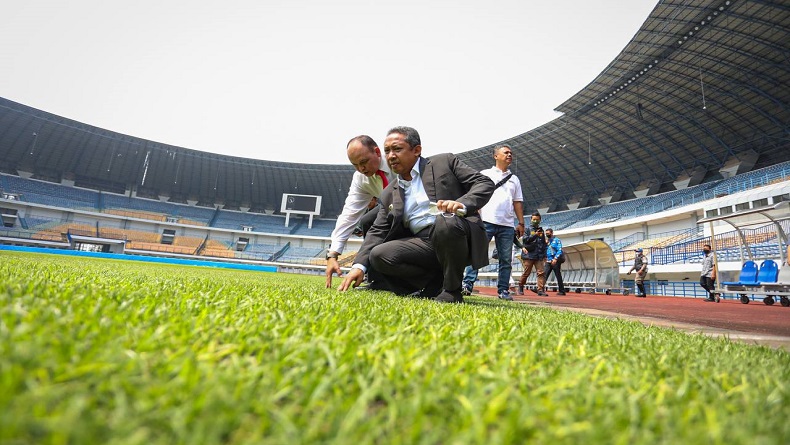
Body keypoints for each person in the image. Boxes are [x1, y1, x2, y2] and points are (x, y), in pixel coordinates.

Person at [338, 126, 495, 303]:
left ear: (417, 150)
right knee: (378, 255)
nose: (391, 156)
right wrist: (359, 266)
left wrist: (462, 204)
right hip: (422, 243)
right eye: (387, 151)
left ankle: (452, 291)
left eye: (397, 149)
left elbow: (484, 183)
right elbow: (377, 230)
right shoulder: (389, 193)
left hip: (456, 232)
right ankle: (432, 284)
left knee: (444, 222)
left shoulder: (444, 162)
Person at [325, 135, 392, 288]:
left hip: (414, 209)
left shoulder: (397, 162)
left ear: (377, 152)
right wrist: (332, 253)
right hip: (390, 208)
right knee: (367, 221)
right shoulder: (360, 178)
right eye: (355, 165)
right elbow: (349, 214)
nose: (361, 169)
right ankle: (376, 280)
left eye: (363, 162)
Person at [460, 145, 525, 301]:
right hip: (486, 221)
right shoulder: (485, 174)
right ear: (496, 156)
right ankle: (467, 284)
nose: (509, 155)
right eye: (506, 152)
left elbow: (517, 202)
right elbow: (475, 195)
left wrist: (521, 222)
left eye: (511, 153)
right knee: (476, 253)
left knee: (506, 260)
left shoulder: (514, 179)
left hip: (507, 225)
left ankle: (503, 290)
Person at [516, 213, 548, 296]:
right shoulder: (527, 229)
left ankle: (540, 290)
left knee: (541, 273)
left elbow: (543, 243)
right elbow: (525, 240)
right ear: (531, 220)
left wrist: (545, 255)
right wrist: (535, 235)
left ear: (540, 220)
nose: (535, 221)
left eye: (537, 219)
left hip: (539, 256)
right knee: (526, 272)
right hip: (528, 255)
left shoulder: (541, 230)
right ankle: (520, 286)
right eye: (534, 219)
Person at [544, 228, 566, 296]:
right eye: (546, 234)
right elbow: (546, 250)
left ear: (552, 233)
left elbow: (559, 250)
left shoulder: (557, 240)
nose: (547, 235)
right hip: (548, 260)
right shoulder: (547, 241)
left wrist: (555, 259)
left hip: (555, 260)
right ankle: (540, 288)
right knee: (545, 274)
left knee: (558, 275)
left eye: (548, 233)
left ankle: (562, 291)